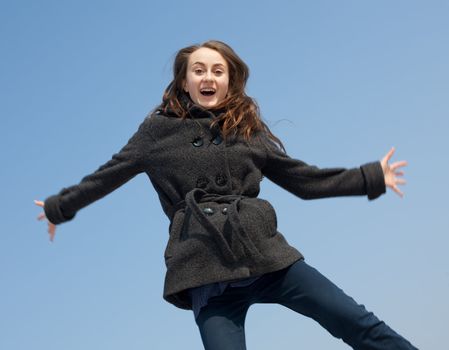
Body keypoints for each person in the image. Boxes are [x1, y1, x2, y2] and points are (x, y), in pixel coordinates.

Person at [35, 40, 418, 349]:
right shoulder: (155, 133)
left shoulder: (247, 129)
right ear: (184, 82)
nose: (208, 77)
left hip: (265, 254)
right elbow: (107, 175)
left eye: (218, 71)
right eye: (198, 70)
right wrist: (58, 208)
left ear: (229, 81)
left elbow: (305, 180)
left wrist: (369, 177)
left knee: (353, 320)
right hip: (205, 268)